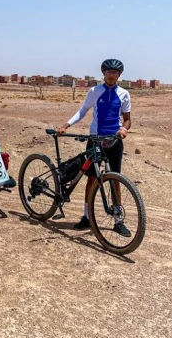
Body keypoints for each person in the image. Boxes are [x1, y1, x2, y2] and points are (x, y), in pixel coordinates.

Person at [56, 59, 132, 236]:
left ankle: (118, 220)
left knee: (115, 180)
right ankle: (86, 217)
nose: (111, 75)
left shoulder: (124, 94)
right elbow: (82, 111)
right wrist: (66, 125)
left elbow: (127, 119)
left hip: (114, 141)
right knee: (91, 179)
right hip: (96, 140)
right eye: (108, 72)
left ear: (119, 75)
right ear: (103, 73)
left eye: (115, 72)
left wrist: (124, 128)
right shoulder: (94, 91)